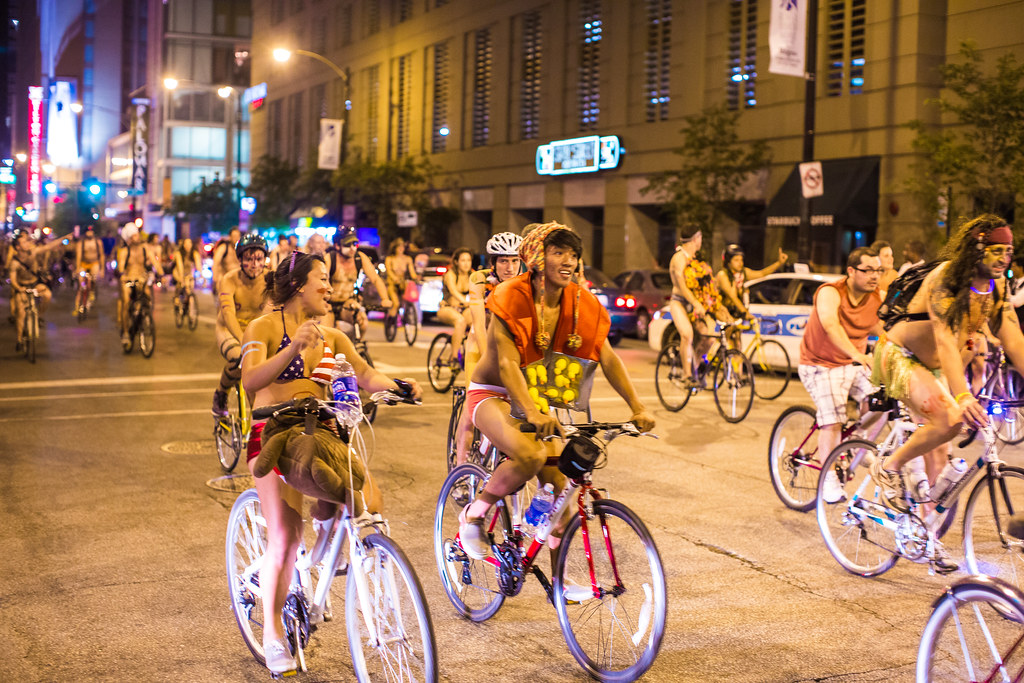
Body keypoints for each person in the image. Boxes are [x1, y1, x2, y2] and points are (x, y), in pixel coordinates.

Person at [240, 250, 422, 674]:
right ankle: (272, 633)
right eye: (322, 278)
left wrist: (398, 385)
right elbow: (250, 380)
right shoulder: (263, 326)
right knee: (285, 535)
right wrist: (293, 349)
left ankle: (323, 549)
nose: (330, 286)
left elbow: (364, 375)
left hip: (324, 435)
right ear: (299, 285)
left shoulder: (335, 336)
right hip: (274, 436)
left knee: (368, 502)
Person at [457, 222, 655, 572]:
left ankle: (560, 585)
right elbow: (505, 363)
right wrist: (532, 412)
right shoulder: (509, 295)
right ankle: (474, 514)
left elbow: (607, 356)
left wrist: (637, 406)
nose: (569, 261)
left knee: (560, 495)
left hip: (535, 396)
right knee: (531, 455)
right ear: (536, 257)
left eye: (574, 255)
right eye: (558, 252)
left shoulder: (580, 302)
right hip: (492, 392)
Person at [871, 216, 1024, 544]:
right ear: (976, 248)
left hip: (935, 369)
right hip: (899, 355)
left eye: (1008, 252)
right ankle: (888, 465)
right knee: (951, 417)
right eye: (996, 250)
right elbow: (945, 340)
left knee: (940, 457)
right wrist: (964, 396)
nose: (1003, 259)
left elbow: (1014, 341)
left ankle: (925, 534)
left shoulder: (996, 288)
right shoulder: (947, 279)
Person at [797, 246, 883, 503]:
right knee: (833, 419)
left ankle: (855, 441)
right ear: (851, 271)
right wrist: (856, 354)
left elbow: (890, 329)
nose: (875, 276)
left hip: (851, 365)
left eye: (878, 271)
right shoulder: (831, 292)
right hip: (818, 364)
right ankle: (828, 479)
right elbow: (830, 324)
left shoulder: (878, 298)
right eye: (868, 270)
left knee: (883, 402)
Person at [454, 232, 523, 465]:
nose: (510, 267)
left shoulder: (524, 282)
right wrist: (488, 359)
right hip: (479, 348)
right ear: (493, 263)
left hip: (508, 351)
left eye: (514, 260)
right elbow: (479, 324)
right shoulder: (478, 279)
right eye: (503, 261)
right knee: (469, 413)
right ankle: (460, 471)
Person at [212, 233, 270, 416]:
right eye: (248, 259)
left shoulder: (271, 279)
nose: (254, 264)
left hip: (256, 332)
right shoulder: (229, 280)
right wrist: (243, 341)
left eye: (259, 259)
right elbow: (228, 313)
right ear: (239, 260)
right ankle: (221, 393)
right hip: (229, 330)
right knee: (240, 358)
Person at [668, 230, 736, 383]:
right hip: (680, 302)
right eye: (700, 237)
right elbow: (682, 286)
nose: (701, 240)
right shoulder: (678, 258)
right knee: (687, 335)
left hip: (698, 304)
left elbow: (707, 285)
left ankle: (695, 367)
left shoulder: (698, 259)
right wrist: (695, 303)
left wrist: (716, 304)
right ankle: (686, 374)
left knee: (709, 339)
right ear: (694, 238)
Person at [7, 228, 69, 349]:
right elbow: (13, 280)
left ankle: (38, 315)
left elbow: (49, 246)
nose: (28, 243)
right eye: (24, 242)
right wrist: (19, 288)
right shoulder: (14, 262)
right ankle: (19, 339)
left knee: (47, 295)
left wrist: (63, 238)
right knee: (21, 312)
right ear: (18, 247)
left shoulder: (34, 252)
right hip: (22, 287)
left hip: (35, 284)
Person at [324, 227, 391, 337]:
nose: (352, 248)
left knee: (362, 322)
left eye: (354, 244)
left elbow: (375, 279)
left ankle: (357, 348)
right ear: (337, 246)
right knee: (326, 332)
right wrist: (324, 302)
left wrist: (385, 299)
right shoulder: (330, 258)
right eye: (347, 244)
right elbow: (322, 281)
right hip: (329, 303)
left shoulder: (360, 258)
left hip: (348, 302)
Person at [714, 243, 789, 320]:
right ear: (728, 262)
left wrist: (779, 263)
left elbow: (761, 273)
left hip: (735, 312)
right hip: (722, 312)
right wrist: (745, 313)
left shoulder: (742, 273)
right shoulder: (722, 275)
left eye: (741, 260)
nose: (740, 263)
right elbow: (732, 296)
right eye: (736, 260)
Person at [116, 223, 162, 345]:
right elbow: (121, 267)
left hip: (141, 279)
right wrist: (123, 276)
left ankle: (144, 316)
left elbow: (155, 262)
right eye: (134, 235)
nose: (137, 237)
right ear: (129, 238)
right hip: (128, 280)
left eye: (137, 234)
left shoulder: (145, 248)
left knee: (148, 298)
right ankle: (126, 333)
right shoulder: (125, 251)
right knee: (126, 301)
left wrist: (161, 274)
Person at [438, 247, 474, 358]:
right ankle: (454, 357)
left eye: (468, 260)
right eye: (463, 260)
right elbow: (453, 291)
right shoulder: (451, 274)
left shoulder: (473, 275)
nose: (466, 264)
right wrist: (466, 301)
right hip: (448, 308)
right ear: (456, 262)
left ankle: (471, 353)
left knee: (479, 321)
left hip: (465, 308)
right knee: (460, 321)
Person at [384, 238, 418, 327]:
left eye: (402, 247)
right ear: (395, 248)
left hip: (402, 283)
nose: (401, 249)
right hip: (392, 283)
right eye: (399, 247)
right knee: (396, 303)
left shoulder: (407, 259)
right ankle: (391, 320)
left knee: (408, 298)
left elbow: (412, 272)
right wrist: (394, 278)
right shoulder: (390, 258)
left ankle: (406, 316)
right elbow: (389, 271)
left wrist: (416, 278)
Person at [75, 225, 105, 302]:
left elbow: (101, 255)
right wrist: (77, 268)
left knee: (94, 278)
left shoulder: (98, 242)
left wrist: (102, 269)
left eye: (91, 231)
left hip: (94, 263)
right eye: (88, 231)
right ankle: (79, 302)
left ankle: (92, 290)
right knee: (81, 282)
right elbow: (78, 256)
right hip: (84, 263)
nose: (90, 233)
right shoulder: (81, 242)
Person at [211, 226, 241, 295]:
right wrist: (215, 279)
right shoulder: (223, 248)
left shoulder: (242, 250)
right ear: (230, 237)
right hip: (224, 281)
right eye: (234, 236)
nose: (236, 238)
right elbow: (216, 263)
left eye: (238, 236)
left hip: (238, 282)